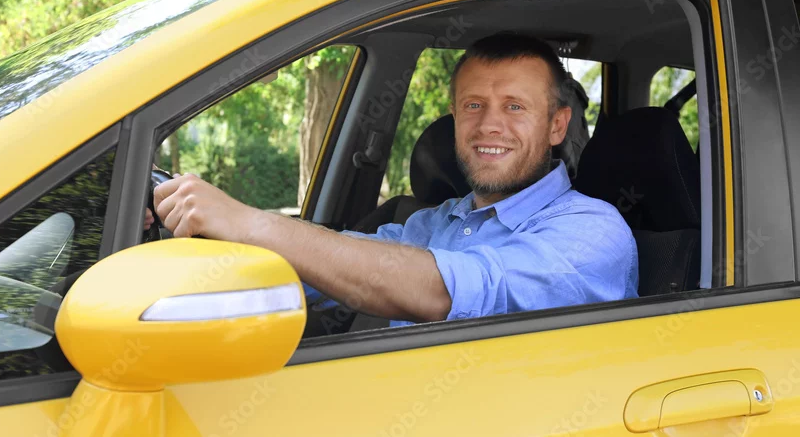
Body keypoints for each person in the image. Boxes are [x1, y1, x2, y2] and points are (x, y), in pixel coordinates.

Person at [149, 33, 638, 328]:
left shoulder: (592, 231)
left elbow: (447, 292)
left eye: (515, 107)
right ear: (454, 118)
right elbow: (332, 264)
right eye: (474, 105)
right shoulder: (437, 223)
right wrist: (203, 238)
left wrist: (252, 223)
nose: (490, 125)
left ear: (557, 126)